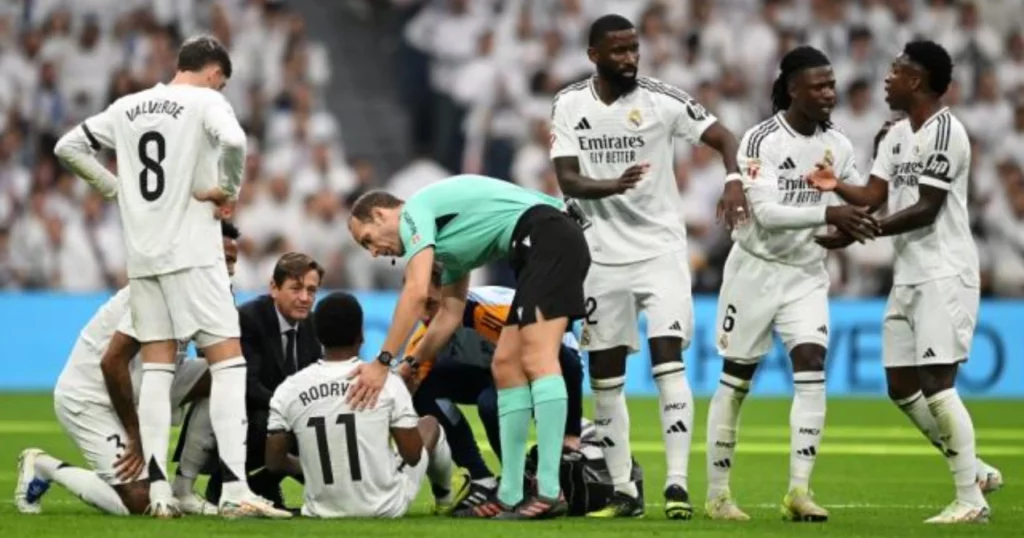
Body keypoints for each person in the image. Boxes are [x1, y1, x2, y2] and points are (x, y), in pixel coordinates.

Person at [52, 35, 287, 519]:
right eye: (220, 81)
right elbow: (236, 141)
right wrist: (229, 190)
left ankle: (160, 493)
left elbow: (67, 146)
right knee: (228, 363)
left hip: (143, 259)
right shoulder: (205, 101)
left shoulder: (128, 106)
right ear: (211, 73)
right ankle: (236, 490)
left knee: (158, 369)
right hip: (193, 253)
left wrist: (116, 189)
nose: (219, 88)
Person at [548, 14, 747, 520]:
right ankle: (624, 492)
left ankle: (677, 486)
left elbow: (725, 136)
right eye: (618, 51)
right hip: (599, 257)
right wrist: (612, 186)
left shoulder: (662, 99)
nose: (630, 58)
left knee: (667, 362)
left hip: (660, 250)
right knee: (606, 377)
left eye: (634, 49)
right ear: (594, 54)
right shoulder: (569, 104)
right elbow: (568, 179)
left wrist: (733, 180)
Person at [808, 40, 998, 523]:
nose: (887, 79)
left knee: (938, 382)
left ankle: (970, 499)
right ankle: (973, 467)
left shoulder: (947, 132)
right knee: (900, 385)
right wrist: (838, 189)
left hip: (944, 271)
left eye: (895, 72)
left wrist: (859, 233)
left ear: (917, 80)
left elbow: (925, 208)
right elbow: (875, 193)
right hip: (908, 275)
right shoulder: (894, 136)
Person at [345, 174, 590, 519]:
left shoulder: (415, 211)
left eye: (368, 239)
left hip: (547, 235)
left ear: (382, 215)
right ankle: (511, 493)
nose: (373, 253)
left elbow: (416, 293)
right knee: (505, 365)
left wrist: (382, 362)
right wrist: (408, 364)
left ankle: (550, 491)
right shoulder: (449, 245)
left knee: (538, 358)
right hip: (540, 242)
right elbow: (449, 315)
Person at [702, 46, 879, 523]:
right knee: (736, 381)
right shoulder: (761, 141)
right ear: (793, 88)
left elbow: (856, 195)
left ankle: (798, 492)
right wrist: (830, 211)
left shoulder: (838, 145)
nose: (829, 93)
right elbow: (767, 212)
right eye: (819, 85)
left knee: (812, 365)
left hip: (805, 273)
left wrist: (848, 226)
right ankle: (718, 494)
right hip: (755, 270)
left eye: (832, 84)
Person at [15, 221, 241, 517]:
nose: (229, 269)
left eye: (233, 261)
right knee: (141, 501)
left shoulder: (210, 294)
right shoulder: (157, 289)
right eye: (222, 259)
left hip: (144, 383)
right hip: (90, 397)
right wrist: (136, 434)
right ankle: (44, 466)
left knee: (224, 375)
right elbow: (111, 363)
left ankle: (184, 488)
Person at [399, 265, 585, 511]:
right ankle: (481, 479)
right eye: (417, 305)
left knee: (492, 403)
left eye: (431, 304)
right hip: (495, 371)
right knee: (424, 387)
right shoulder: (426, 336)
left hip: (548, 364)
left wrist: (571, 433)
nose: (424, 316)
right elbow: (404, 393)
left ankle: (518, 483)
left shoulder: (492, 313)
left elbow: (570, 364)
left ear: (449, 293)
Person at [264, 291, 456, 518]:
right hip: (386, 507)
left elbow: (274, 462)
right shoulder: (386, 382)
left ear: (317, 335)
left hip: (320, 510)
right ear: (361, 335)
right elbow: (413, 455)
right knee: (430, 426)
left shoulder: (289, 389)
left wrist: (317, 465)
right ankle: (445, 499)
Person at [205, 253, 324, 509]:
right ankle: (224, 483)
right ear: (273, 288)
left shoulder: (312, 326)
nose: (305, 298)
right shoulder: (249, 319)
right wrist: (291, 410)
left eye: (311, 290)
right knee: (269, 423)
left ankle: (267, 486)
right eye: (296, 288)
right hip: (249, 415)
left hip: (286, 415)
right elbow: (248, 385)